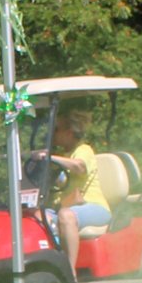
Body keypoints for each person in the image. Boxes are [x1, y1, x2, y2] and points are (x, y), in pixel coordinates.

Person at [49, 99, 112, 272]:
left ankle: (69, 271)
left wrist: (49, 157)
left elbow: (80, 167)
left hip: (94, 207)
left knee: (66, 216)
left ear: (69, 132)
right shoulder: (62, 155)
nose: (53, 134)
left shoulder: (84, 150)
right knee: (38, 218)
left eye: (57, 129)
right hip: (68, 207)